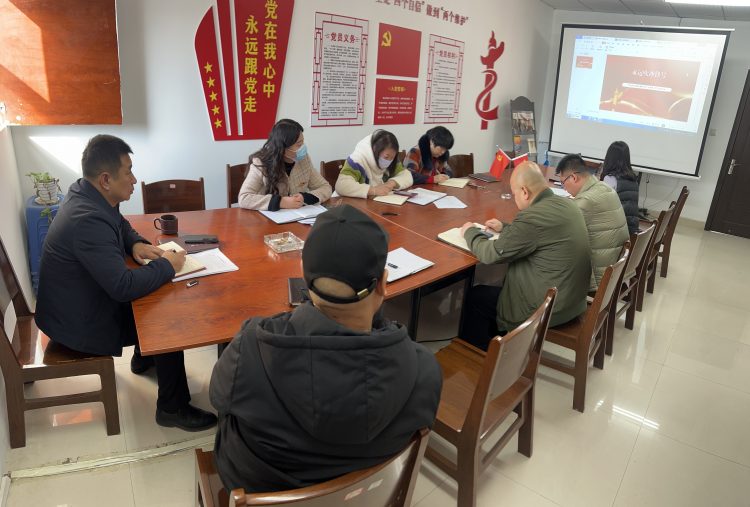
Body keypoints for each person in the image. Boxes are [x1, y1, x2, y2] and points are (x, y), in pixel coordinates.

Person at [210, 204, 441, 493]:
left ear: (303, 275)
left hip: (267, 491)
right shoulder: (424, 370)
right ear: (384, 284)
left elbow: (217, 397)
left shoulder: (250, 349)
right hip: (372, 496)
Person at [35, 135, 217, 431]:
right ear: (106, 179)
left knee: (155, 297)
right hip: (75, 324)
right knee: (167, 317)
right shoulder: (87, 219)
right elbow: (122, 287)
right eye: (128, 172)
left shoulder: (88, 193)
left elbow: (120, 225)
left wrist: (135, 244)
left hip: (75, 303)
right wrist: (167, 265)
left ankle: (144, 358)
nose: (134, 179)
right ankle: (172, 408)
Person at [458, 162, 591, 351]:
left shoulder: (532, 217)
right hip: (572, 302)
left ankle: (480, 356)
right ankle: (499, 343)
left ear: (525, 192)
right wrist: (506, 227)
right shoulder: (566, 204)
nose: (514, 198)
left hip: (548, 310)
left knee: (476, 296)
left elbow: (491, 254)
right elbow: (539, 235)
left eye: (514, 194)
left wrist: (470, 232)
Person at [557, 153, 630, 292]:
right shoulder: (604, 187)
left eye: (562, 182)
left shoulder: (586, 201)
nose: (564, 188)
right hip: (613, 268)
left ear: (573, 177)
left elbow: (557, 229)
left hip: (598, 278)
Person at [238, 119, 332, 210]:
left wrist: (305, 197)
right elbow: (244, 198)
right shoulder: (261, 163)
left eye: (302, 142)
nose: (303, 148)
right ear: (282, 148)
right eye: (299, 144)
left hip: (297, 216)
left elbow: (325, 187)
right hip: (267, 217)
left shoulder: (304, 159)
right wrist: (280, 202)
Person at [335, 130, 413, 198]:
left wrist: (391, 183)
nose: (389, 161)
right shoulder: (357, 160)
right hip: (351, 204)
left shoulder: (392, 160)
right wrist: (373, 190)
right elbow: (342, 185)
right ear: (375, 150)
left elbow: (407, 175)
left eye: (392, 157)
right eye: (386, 157)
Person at [601, 141, 640, 234]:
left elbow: (602, 206)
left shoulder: (610, 178)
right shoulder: (633, 178)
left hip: (617, 230)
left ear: (609, 158)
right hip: (631, 227)